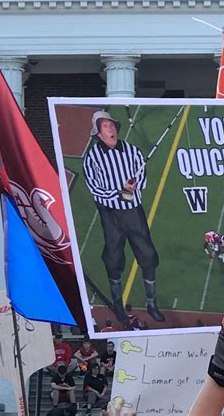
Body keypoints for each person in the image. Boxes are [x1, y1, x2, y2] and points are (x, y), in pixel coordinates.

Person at [83, 110, 164, 323]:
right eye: (105, 127)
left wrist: (134, 187)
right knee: (114, 256)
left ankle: (152, 303)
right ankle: (118, 305)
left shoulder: (130, 149)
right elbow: (95, 187)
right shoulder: (92, 157)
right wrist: (120, 191)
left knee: (147, 254)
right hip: (110, 212)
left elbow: (141, 172)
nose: (111, 130)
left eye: (112, 126)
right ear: (98, 134)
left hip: (133, 210)